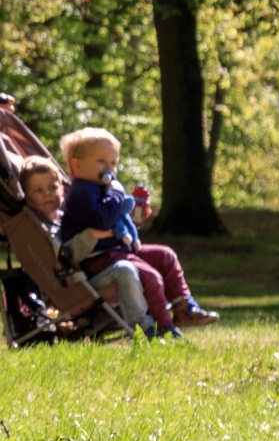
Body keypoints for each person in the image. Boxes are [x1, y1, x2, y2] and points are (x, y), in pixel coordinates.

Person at [55, 128, 220, 331]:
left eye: (113, 163)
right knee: (150, 276)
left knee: (165, 256)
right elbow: (102, 222)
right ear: (77, 165)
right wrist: (116, 192)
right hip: (96, 261)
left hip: (116, 252)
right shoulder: (82, 192)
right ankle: (163, 327)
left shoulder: (98, 188)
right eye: (101, 162)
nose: (110, 169)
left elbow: (114, 221)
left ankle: (183, 306)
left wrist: (134, 217)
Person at [18, 155, 154, 335]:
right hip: (78, 288)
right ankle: (143, 328)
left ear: (63, 189)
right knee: (126, 270)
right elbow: (63, 259)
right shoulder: (40, 232)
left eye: (53, 187)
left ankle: (169, 315)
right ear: (27, 197)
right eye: (38, 190)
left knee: (152, 260)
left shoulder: (70, 216)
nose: (47, 194)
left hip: (97, 273)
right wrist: (91, 235)